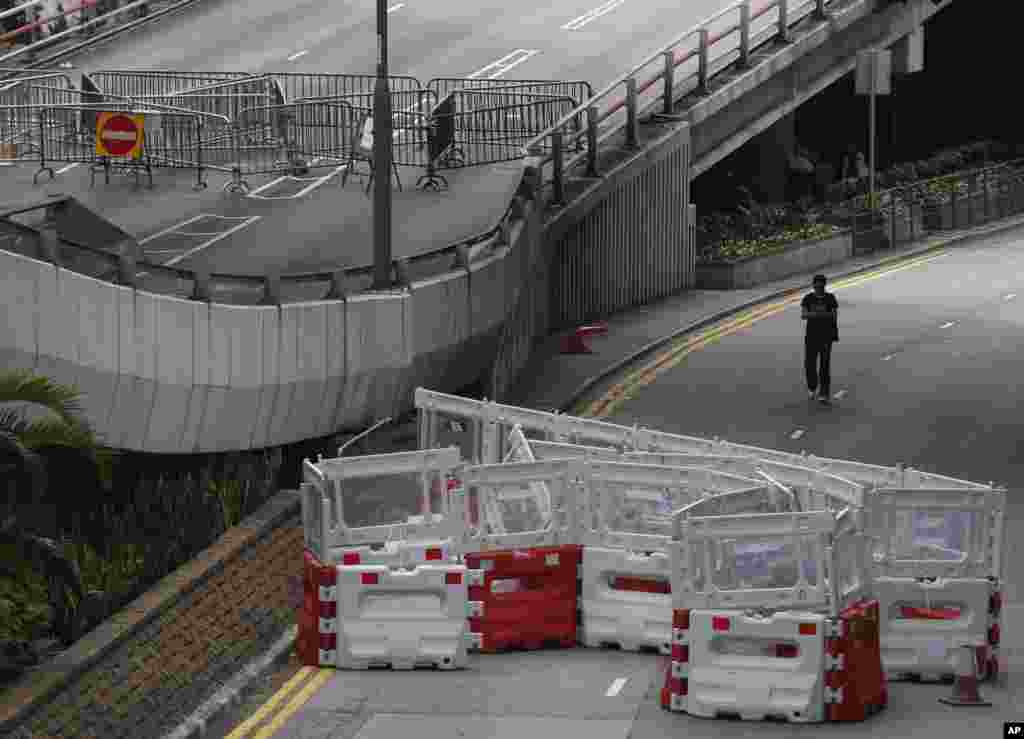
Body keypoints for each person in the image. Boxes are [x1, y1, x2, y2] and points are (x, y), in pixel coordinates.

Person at [801, 274, 839, 403]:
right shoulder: (808, 298)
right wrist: (820, 314)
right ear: (813, 286)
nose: (818, 288)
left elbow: (834, 315)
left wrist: (816, 314)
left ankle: (824, 393)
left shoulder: (830, 298)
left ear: (824, 286)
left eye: (820, 286)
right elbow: (803, 315)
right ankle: (812, 386)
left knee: (825, 365)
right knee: (809, 364)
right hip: (811, 336)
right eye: (816, 286)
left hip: (826, 336)